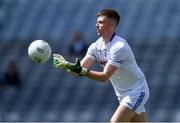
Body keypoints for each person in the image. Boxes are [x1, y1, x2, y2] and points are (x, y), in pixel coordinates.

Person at [53, 9, 149, 122]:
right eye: (97, 22)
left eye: (101, 22)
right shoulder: (95, 46)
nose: (96, 25)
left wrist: (81, 71)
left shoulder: (119, 46)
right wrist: (66, 65)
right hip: (122, 94)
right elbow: (78, 71)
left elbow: (104, 77)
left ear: (111, 25)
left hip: (137, 90)